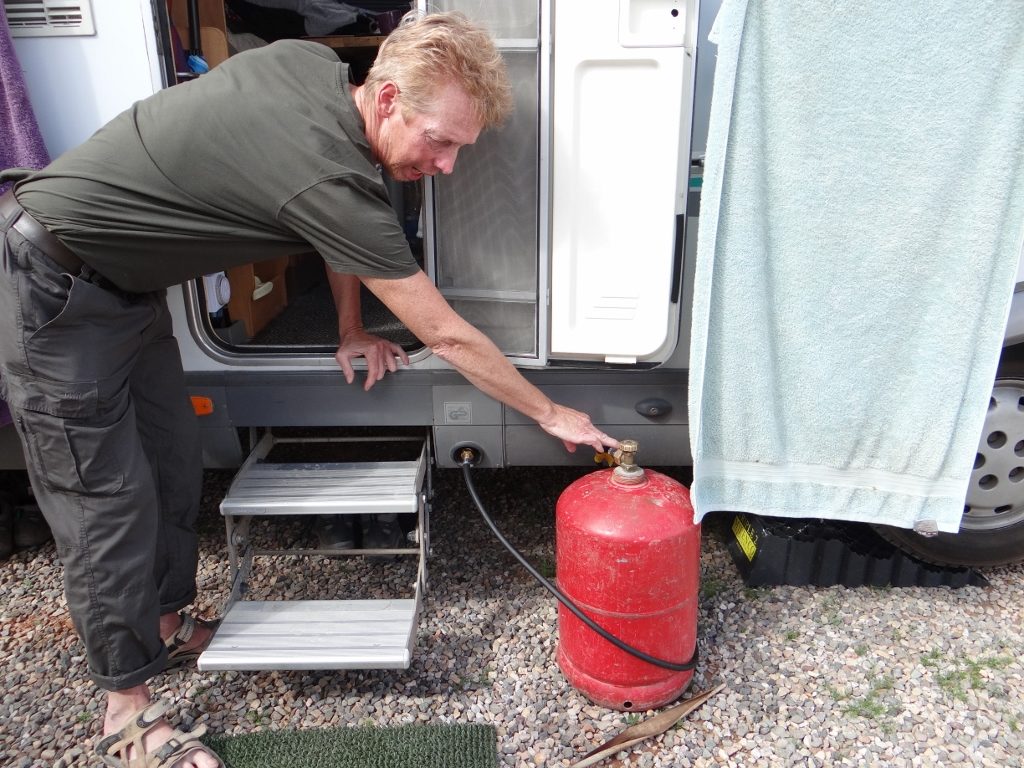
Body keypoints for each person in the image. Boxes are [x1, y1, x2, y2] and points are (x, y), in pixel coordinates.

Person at [0, 10, 618, 768]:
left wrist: (350, 327)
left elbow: (334, 225)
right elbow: (447, 335)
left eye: (459, 147)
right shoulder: (329, 175)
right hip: (53, 283)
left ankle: (162, 626)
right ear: (387, 99)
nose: (448, 165)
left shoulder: (312, 71)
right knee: (106, 502)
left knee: (171, 459)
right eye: (441, 141)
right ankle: (127, 715)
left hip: (128, 290)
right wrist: (550, 412)